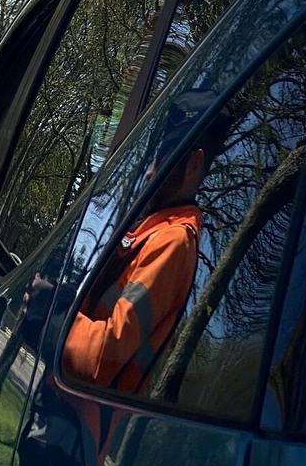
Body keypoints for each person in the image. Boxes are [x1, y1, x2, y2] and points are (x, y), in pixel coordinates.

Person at [62, 88, 232, 394]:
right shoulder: (152, 230)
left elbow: (106, 358)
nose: (150, 170)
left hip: (77, 426)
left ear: (193, 165)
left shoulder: (174, 242)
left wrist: (55, 318)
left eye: (163, 155)